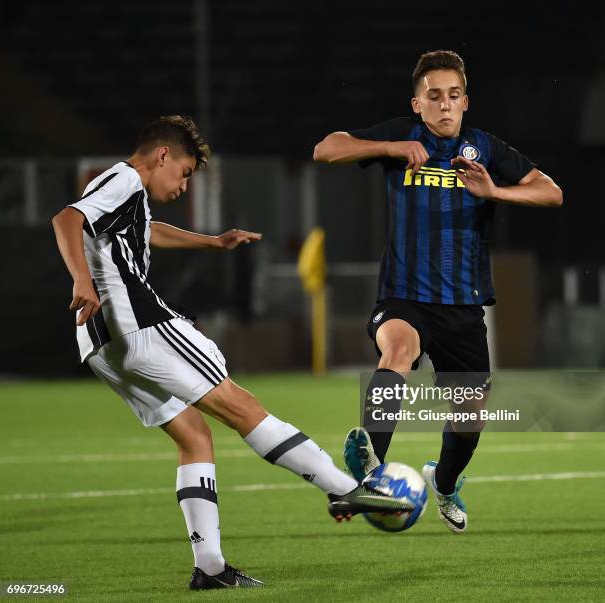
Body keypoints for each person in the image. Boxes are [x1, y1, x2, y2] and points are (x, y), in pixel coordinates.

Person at [51, 115, 412, 590]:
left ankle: (212, 569)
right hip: (138, 325)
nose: (183, 186)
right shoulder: (124, 179)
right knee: (243, 407)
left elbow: (144, 231)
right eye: (183, 173)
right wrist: (81, 279)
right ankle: (346, 490)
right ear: (162, 155)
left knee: (195, 438)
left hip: (101, 347)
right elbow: (67, 219)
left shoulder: (120, 193)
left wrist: (212, 242)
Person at [313, 50, 562, 534]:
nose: (444, 106)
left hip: (465, 306)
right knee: (398, 349)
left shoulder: (485, 149)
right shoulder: (402, 136)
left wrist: (496, 194)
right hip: (405, 297)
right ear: (417, 104)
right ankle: (370, 470)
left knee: (470, 416)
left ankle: (444, 482)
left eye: (453, 96)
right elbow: (326, 149)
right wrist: (388, 149)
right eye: (434, 97)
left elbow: (551, 191)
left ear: (466, 101)